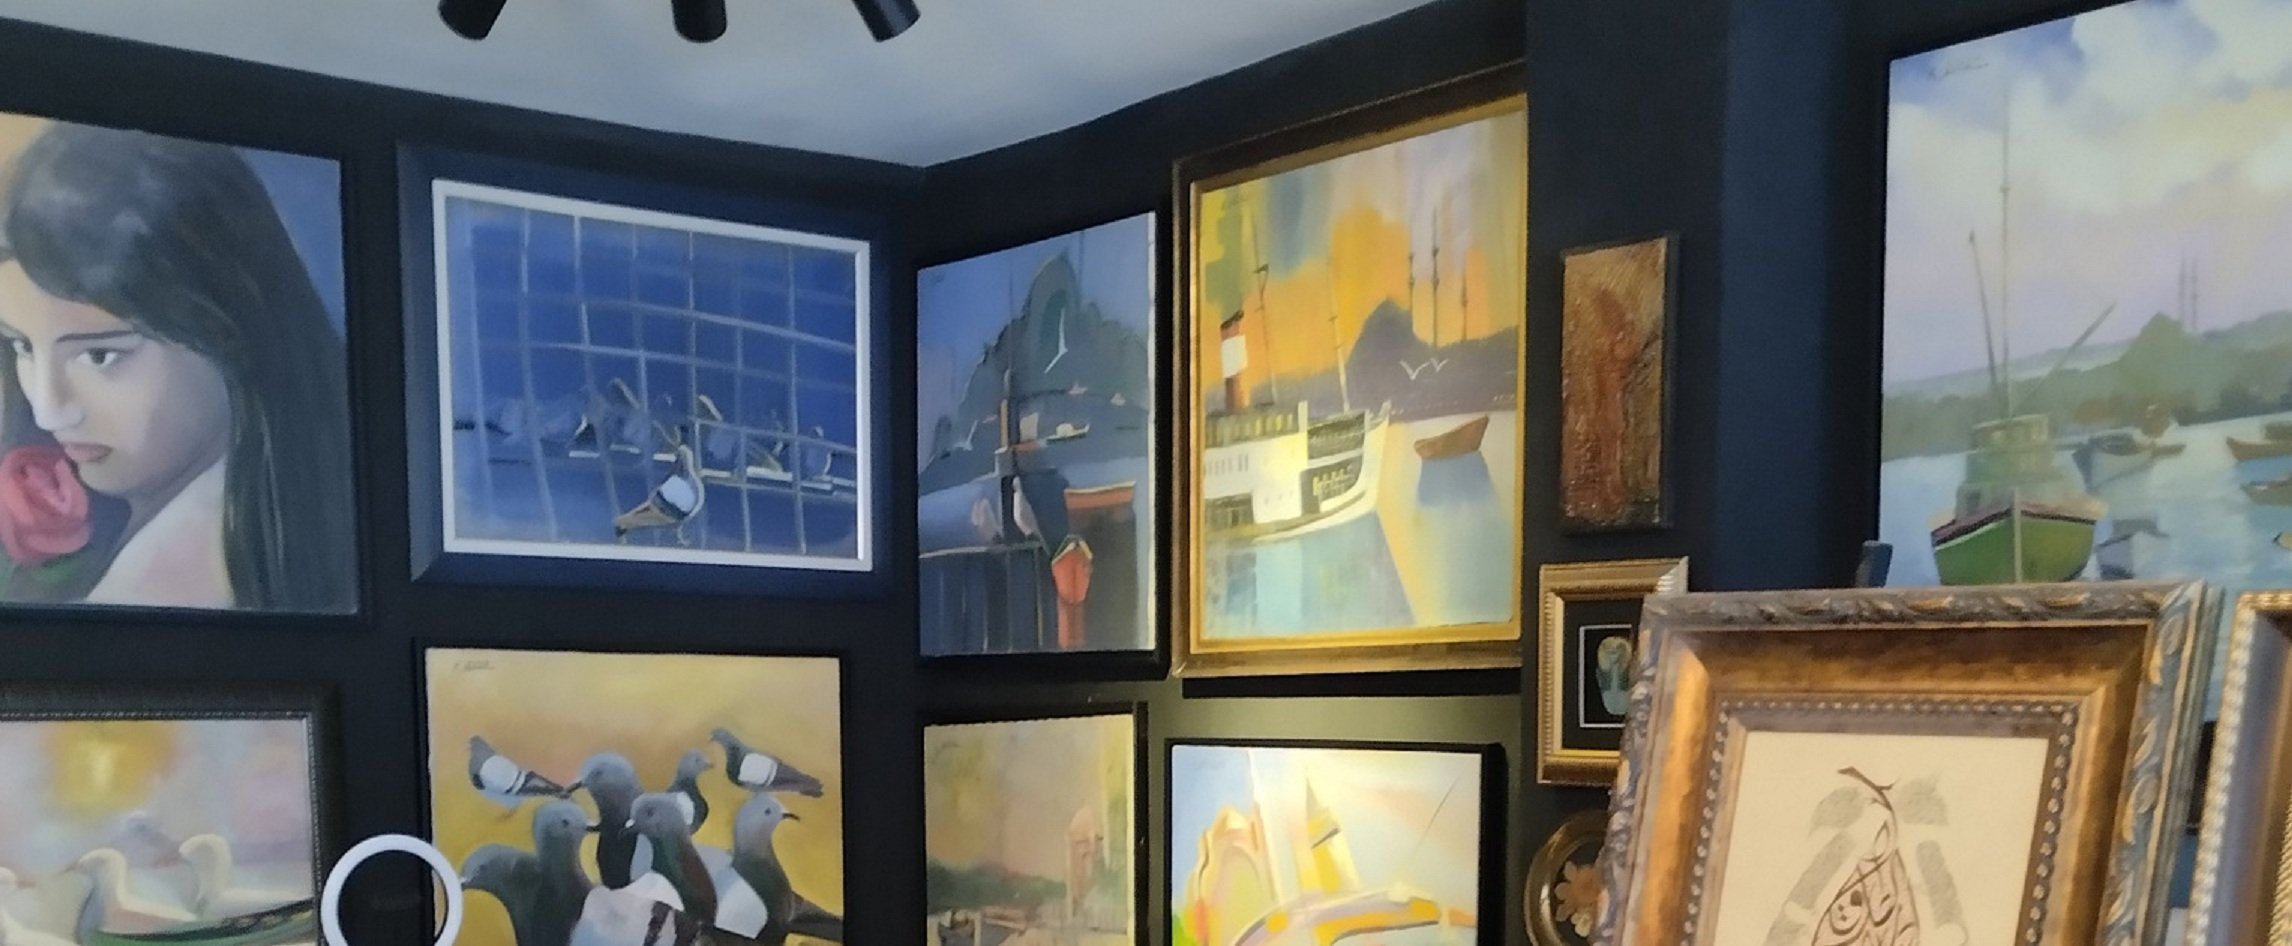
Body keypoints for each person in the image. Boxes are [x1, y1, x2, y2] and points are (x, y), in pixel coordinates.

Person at [0, 122, 355, 611]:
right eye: (21, 346)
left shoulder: (166, 579)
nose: (48, 410)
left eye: (100, 356)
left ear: (224, 331)